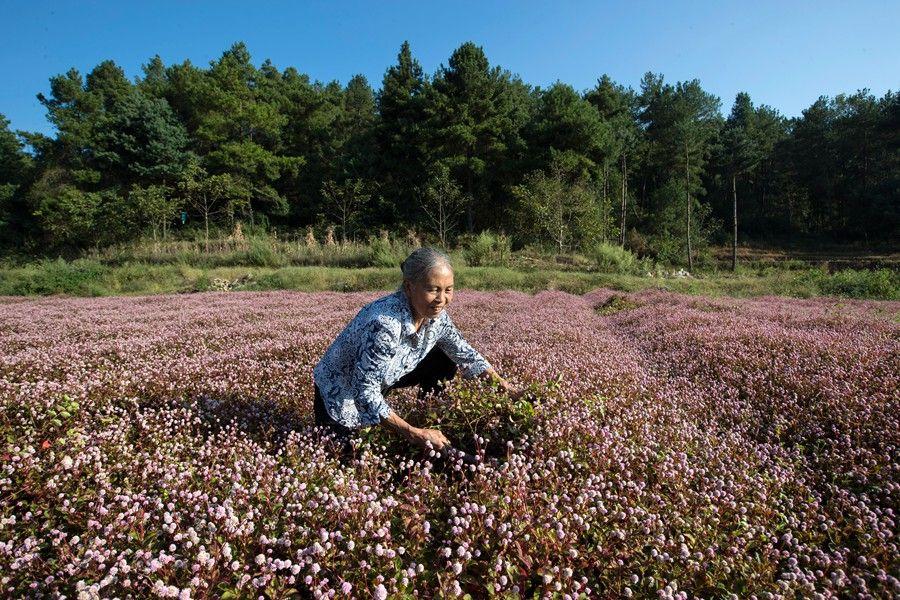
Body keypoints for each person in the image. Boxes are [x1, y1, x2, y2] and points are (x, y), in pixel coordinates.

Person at [313, 247, 524, 455]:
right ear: (409, 287)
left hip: (387, 373)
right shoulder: (385, 325)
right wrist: (413, 433)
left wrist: (507, 388)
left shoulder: (437, 316)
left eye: (448, 289)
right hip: (343, 389)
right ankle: (414, 430)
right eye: (433, 289)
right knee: (344, 455)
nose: (442, 299)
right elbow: (364, 390)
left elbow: (465, 353)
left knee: (444, 357)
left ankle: (429, 414)